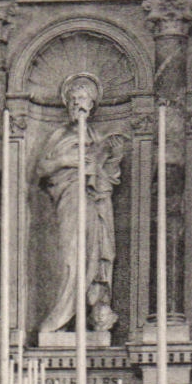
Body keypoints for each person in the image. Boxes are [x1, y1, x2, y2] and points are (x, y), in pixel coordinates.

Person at [38, 74, 125, 336]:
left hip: (96, 203)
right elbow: (43, 167)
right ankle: (58, 319)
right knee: (71, 258)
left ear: (93, 104)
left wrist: (113, 155)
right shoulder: (59, 135)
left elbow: (108, 176)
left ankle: (93, 314)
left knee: (97, 256)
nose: (79, 104)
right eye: (74, 100)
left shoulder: (97, 136)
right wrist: (70, 160)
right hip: (70, 199)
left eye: (83, 99)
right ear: (67, 104)